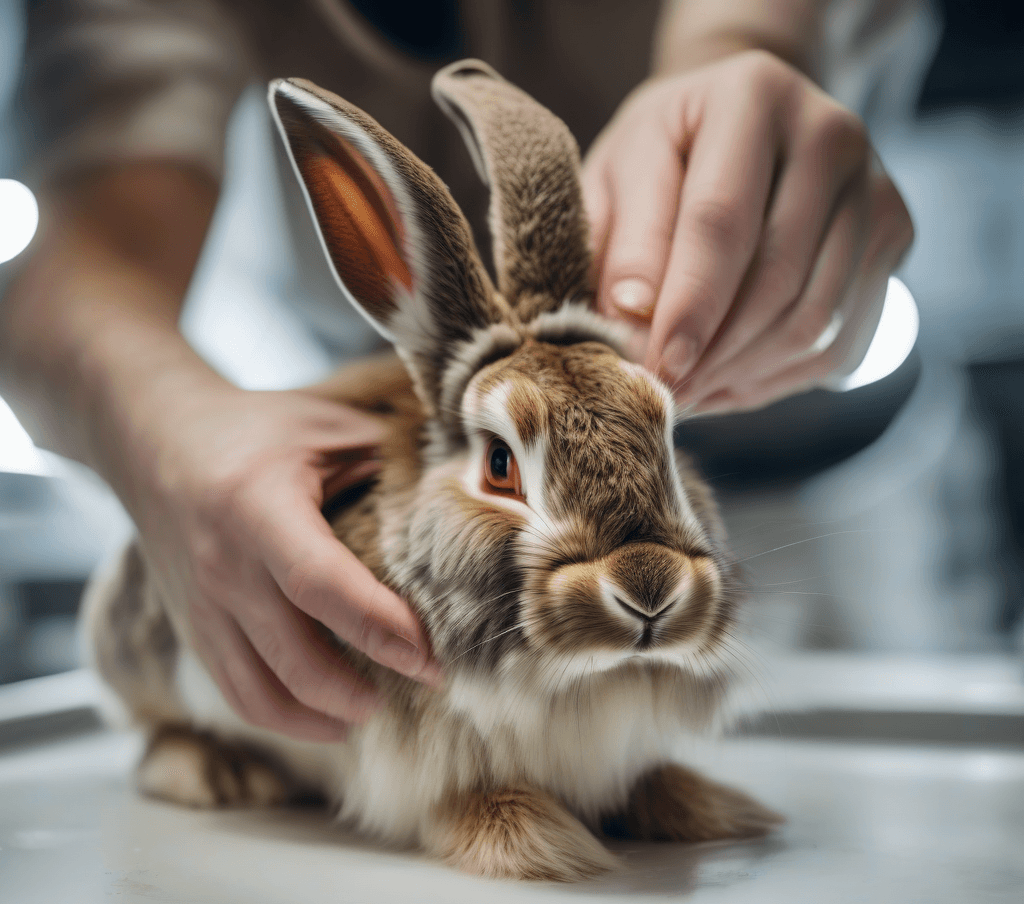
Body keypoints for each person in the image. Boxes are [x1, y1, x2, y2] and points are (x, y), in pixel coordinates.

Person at [0, 0, 913, 739]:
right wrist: (165, 429)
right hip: (445, 503)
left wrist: (745, 48)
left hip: (808, 479)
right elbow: (87, 249)